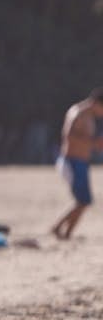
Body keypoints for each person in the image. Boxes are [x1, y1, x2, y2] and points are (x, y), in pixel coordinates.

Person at [51, 89, 103, 240]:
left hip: (81, 162)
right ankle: (58, 228)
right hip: (72, 161)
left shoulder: (89, 117)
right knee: (84, 201)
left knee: (84, 201)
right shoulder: (78, 113)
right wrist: (93, 143)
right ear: (96, 103)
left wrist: (95, 145)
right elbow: (69, 137)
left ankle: (65, 232)